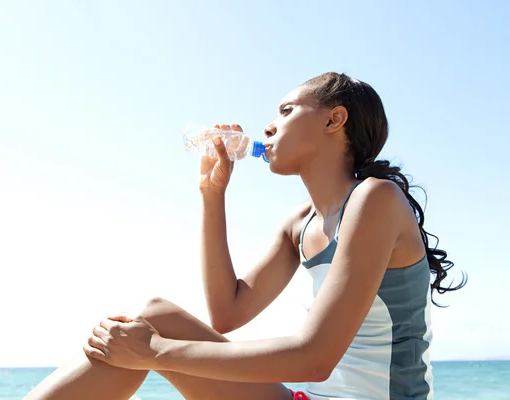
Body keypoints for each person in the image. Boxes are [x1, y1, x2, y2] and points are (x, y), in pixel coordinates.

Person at [24, 72, 466, 400]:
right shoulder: (301, 223)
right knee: (152, 314)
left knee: (150, 332)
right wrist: (212, 194)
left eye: (287, 111)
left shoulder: (376, 200)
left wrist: (154, 352)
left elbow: (314, 358)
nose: (269, 127)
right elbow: (226, 313)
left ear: (335, 120)